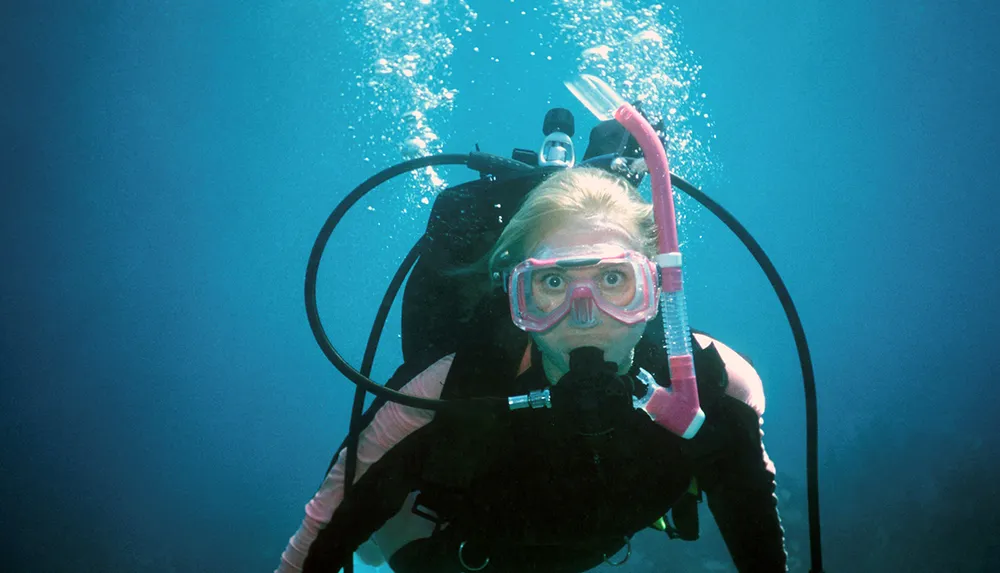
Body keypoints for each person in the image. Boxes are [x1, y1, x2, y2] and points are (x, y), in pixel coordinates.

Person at [276, 166, 788, 573]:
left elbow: (757, 535)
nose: (585, 318)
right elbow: (323, 526)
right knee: (371, 545)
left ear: (657, 290)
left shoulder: (714, 386)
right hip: (453, 557)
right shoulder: (448, 390)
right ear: (516, 297)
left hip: (589, 546)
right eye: (553, 285)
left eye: (614, 279)